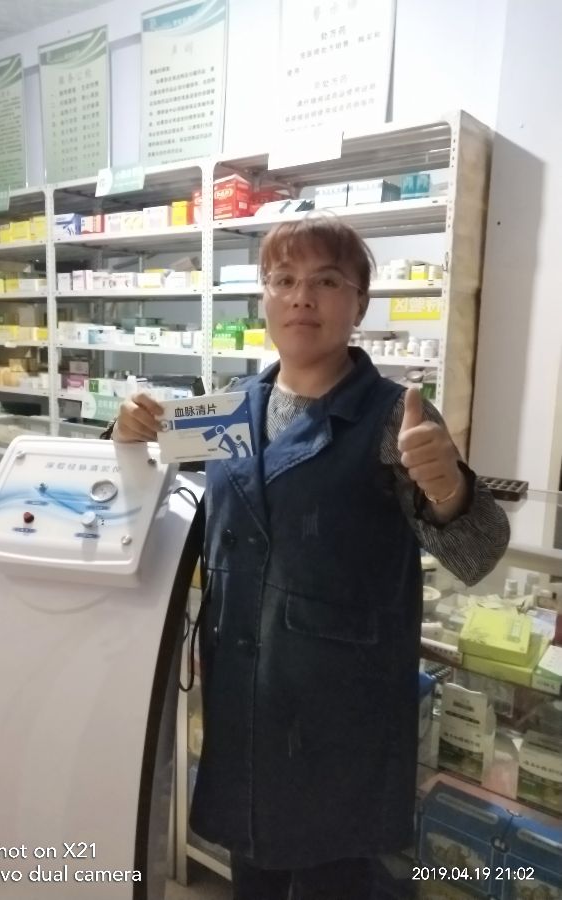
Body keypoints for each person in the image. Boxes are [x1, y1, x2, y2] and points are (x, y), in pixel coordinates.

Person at [109, 216, 510, 899]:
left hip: (342, 717)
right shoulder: (229, 411)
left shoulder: (396, 416)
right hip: (245, 699)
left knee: (339, 877)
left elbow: (477, 555)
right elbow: (148, 496)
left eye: (326, 281)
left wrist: (449, 489)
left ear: (359, 304)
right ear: (263, 298)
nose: (302, 297)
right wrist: (126, 435)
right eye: (284, 280)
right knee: (255, 874)